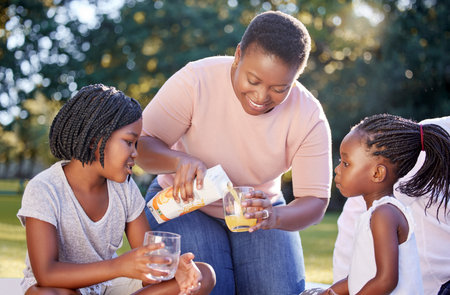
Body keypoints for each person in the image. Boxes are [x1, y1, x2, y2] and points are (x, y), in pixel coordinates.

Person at [136, 10, 332, 295]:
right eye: (253, 80)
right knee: (210, 287)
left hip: (258, 212)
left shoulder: (309, 115)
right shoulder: (196, 80)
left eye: (279, 88)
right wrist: (179, 161)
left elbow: (314, 200)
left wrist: (274, 217)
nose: (261, 97)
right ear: (238, 54)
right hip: (181, 204)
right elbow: (140, 144)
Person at [17, 84, 215, 295]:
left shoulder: (124, 188)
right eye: (129, 142)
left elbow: (148, 260)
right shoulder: (45, 189)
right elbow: (46, 274)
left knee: (203, 275)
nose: (135, 153)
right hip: (61, 286)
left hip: (108, 286)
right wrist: (119, 266)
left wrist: (175, 268)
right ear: (96, 141)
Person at [318, 114, 450, 295]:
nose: (337, 169)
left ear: (377, 173)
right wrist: (330, 291)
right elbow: (361, 276)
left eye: (346, 163)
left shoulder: (385, 214)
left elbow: (386, 280)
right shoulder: (376, 213)